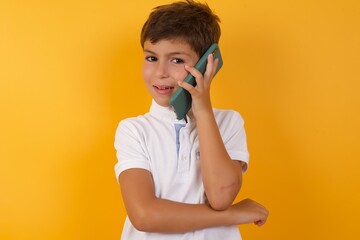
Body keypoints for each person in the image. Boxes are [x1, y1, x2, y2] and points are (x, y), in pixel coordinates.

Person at [114, 0, 269, 239]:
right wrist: (233, 215)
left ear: (207, 63)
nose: (160, 72)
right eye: (152, 58)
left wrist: (204, 111)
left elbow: (220, 196)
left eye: (176, 60)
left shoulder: (229, 123)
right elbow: (144, 215)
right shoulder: (134, 130)